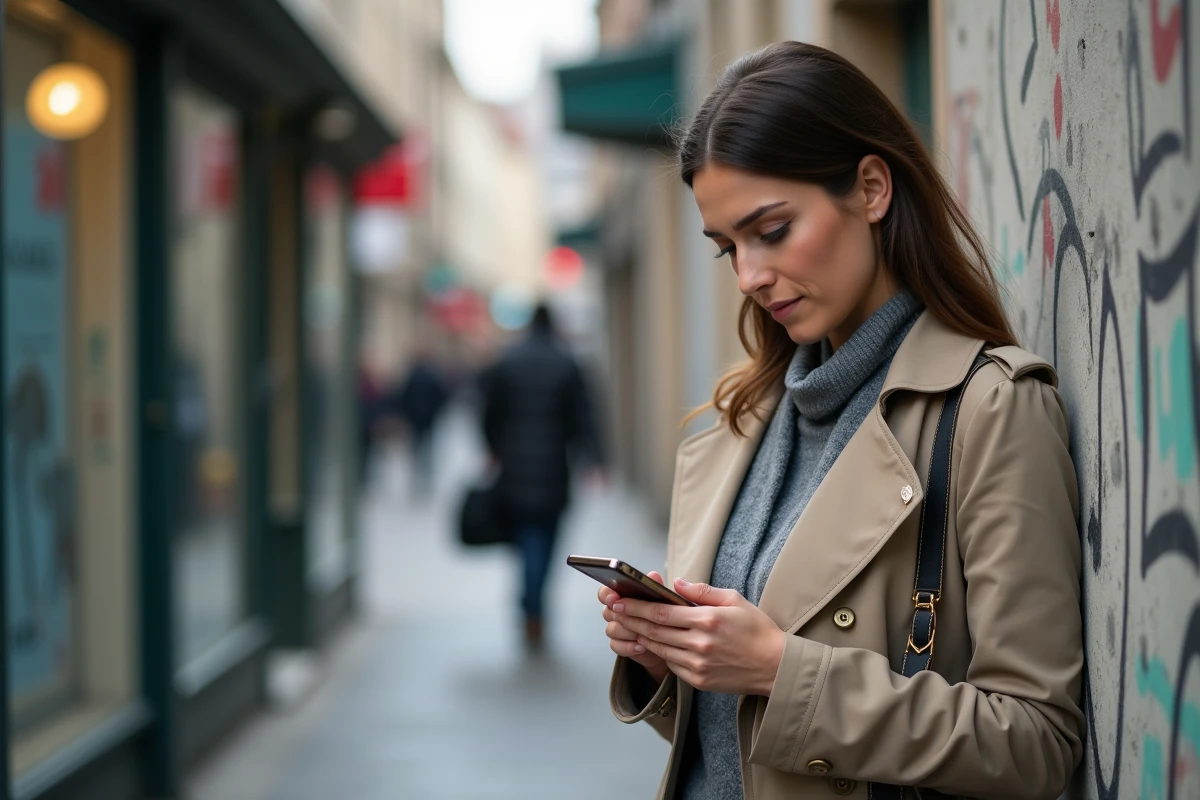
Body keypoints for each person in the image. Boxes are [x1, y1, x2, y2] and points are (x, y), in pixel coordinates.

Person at [596, 42, 1083, 800]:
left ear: (871, 188)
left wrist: (778, 671)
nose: (749, 277)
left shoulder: (990, 408)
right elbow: (740, 752)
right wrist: (673, 661)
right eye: (727, 249)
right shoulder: (741, 422)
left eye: (772, 231)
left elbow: (1035, 742)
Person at [482, 303, 604, 649]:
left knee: (526, 538)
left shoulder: (508, 361)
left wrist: (493, 448)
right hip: (553, 466)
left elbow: (489, 412)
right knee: (546, 539)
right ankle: (534, 605)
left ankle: (530, 602)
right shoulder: (566, 362)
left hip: (515, 468)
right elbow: (585, 415)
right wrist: (596, 459)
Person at [395, 350, 450, 495]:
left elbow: (403, 396)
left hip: (414, 418)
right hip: (428, 418)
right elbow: (441, 395)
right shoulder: (432, 376)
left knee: (416, 448)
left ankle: (416, 478)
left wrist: (406, 413)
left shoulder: (412, 376)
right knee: (428, 448)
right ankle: (426, 477)